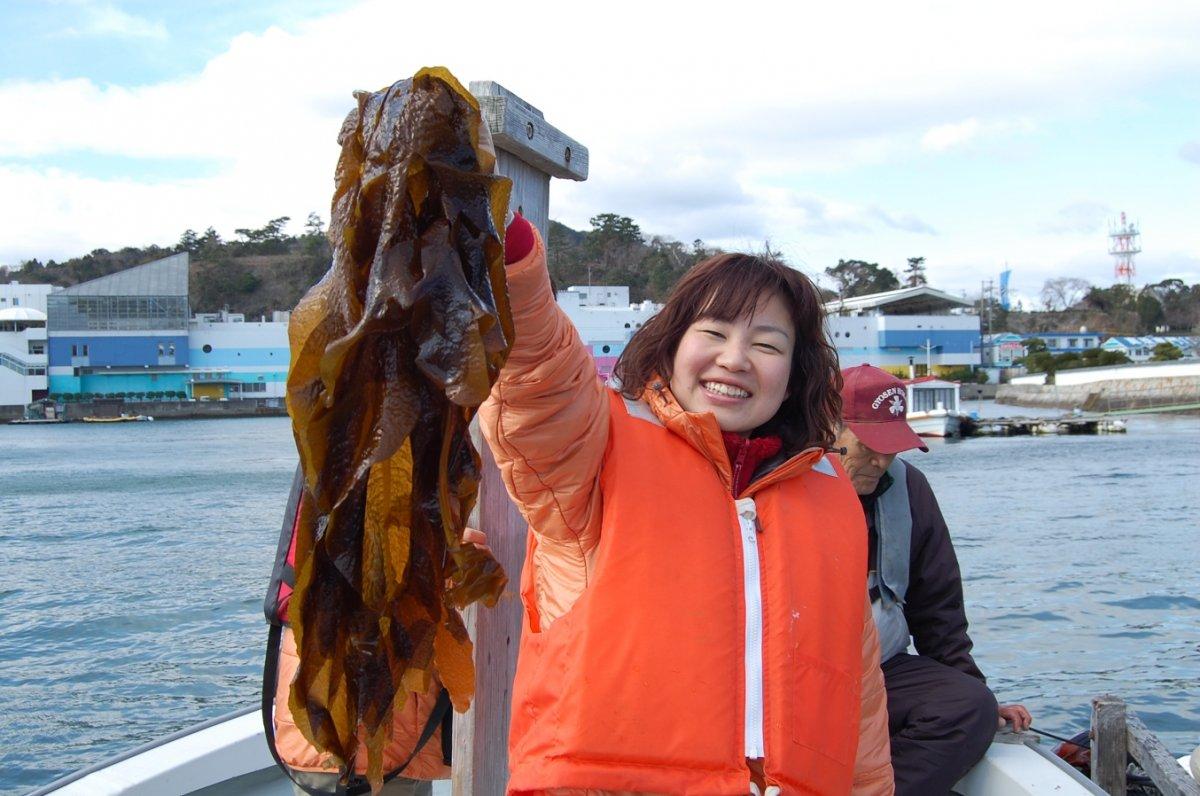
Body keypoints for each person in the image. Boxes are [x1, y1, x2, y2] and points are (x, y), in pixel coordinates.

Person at [477, 215, 894, 794]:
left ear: (795, 376)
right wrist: (513, 258)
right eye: (714, 332)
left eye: (767, 344)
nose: (735, 359)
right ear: (672, 344)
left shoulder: (831, 493)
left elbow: (861, 700)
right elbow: (537, 377)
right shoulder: (593, 453)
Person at [835, 364, 1033, 795]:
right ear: (829, 427)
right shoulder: (782, 482)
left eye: (892, 447)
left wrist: (970, 686)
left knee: (968, 708)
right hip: (796, 679)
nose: (883, 459)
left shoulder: (910, 488)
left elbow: (938, 608)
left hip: (881, 669)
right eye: (869, 446)